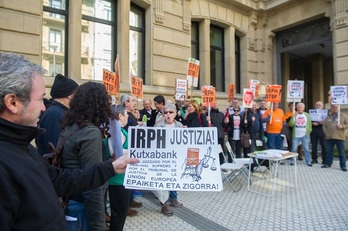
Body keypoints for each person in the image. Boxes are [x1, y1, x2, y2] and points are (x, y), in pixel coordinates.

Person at [0, 52, 138, 230]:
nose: (44, 108)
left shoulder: (21, 145)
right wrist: (98, 225)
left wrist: (110, 167)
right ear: (12, 102)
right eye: (41, 99)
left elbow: (59, 179)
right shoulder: (7, 158)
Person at [60, 82, 121, 230]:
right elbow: (93, 185)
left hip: (71, 202)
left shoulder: (71, 126)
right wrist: (98, 226)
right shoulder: (90, 132)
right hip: (81, 207)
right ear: (99, 103)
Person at [36, 74, 78, 155]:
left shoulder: (58, 111)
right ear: (69, 95)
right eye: (77, 93)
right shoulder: (54, 114)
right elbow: (54, 147)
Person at [154, 104, 184, 215]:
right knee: (164, 180)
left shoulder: (179, 125)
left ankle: (174, 198)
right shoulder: (159, 126)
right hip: (163, 158)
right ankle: (164, 203)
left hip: (176, 156)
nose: (168, 114)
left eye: (171, 112)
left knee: (174, 178)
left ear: (175, 114)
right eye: (166, 112)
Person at [107, 105, 132, 230]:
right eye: (126, 114)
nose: (128, 116)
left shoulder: (108, 129)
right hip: (119, 180)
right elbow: (116, 155)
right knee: (119, 213)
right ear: (120, 115)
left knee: (116, 212)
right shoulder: (117, 132)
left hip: (112, 178)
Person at [322, 104, 348, 171]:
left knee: (341, 152)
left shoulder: (343, 116)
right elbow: (324, 126)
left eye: (336, 107)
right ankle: (328, 164)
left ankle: (343, 166)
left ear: (339, 108)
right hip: (329, 137)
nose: (335, 108)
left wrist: (342, 127)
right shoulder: (328, 117)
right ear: (331, 108)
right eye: (333, 107)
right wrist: (326, 133)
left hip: (340, 137)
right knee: (329, 152)